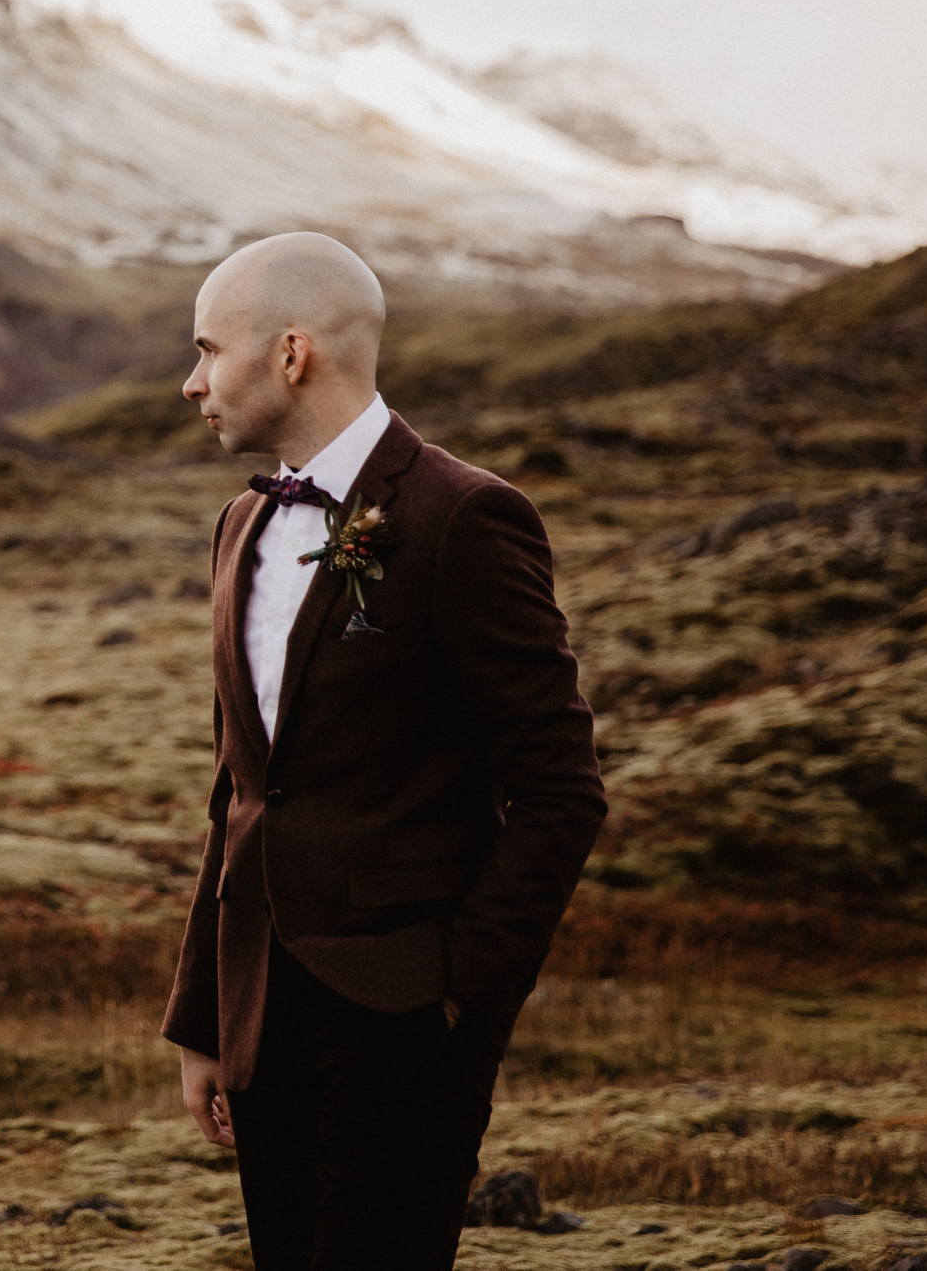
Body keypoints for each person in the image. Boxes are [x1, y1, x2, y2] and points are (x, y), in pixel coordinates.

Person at [161, 233, 607, 1269]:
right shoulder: (240, 525)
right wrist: (203, 1015)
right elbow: (239, 790)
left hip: (407, 1019)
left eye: (206, 350)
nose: (190, 384)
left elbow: (558, 787)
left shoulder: (465, 518)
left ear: (290, 353)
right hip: (262, 1013)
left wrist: (462, 997)